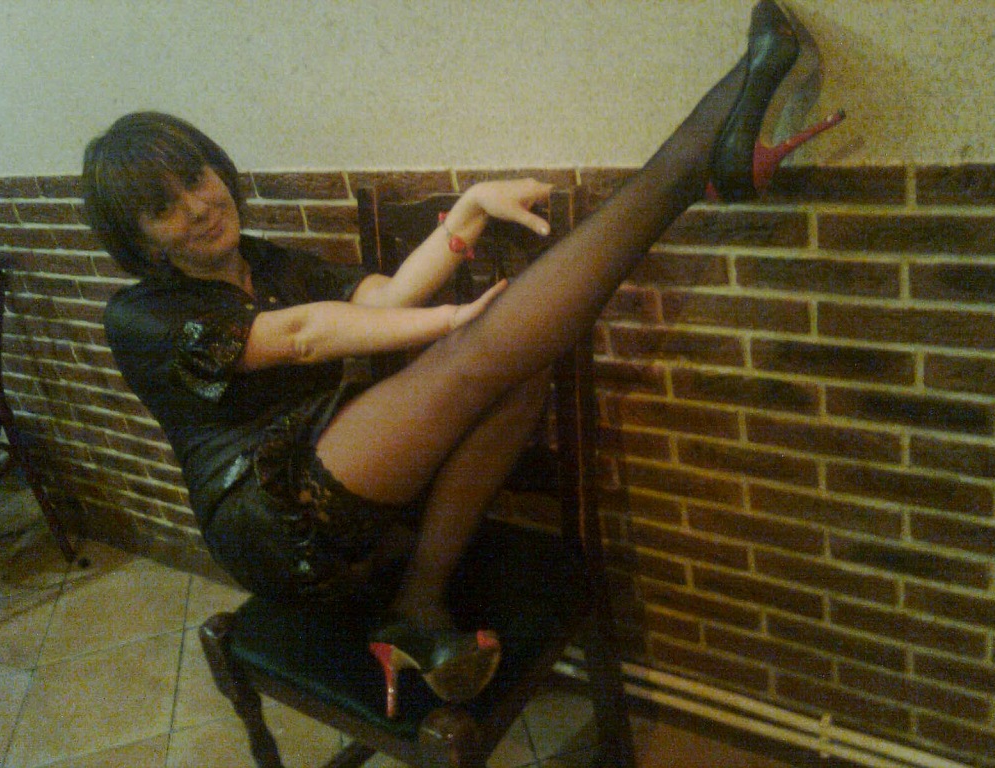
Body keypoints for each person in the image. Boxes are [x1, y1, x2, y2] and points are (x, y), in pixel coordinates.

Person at [83, 0, 840, 718]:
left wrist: (471, 207)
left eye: (197, 178)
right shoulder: (140, 316)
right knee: (475, 353)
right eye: (163, 207)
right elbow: (303, 335)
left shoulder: (267, 261)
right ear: (140, 238)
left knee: (520, 373)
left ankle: (416, 605)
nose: (198, 206)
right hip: (267, 517)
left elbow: (385, 298)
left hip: (333, 459)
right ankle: (700, 153)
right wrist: (453, 324)